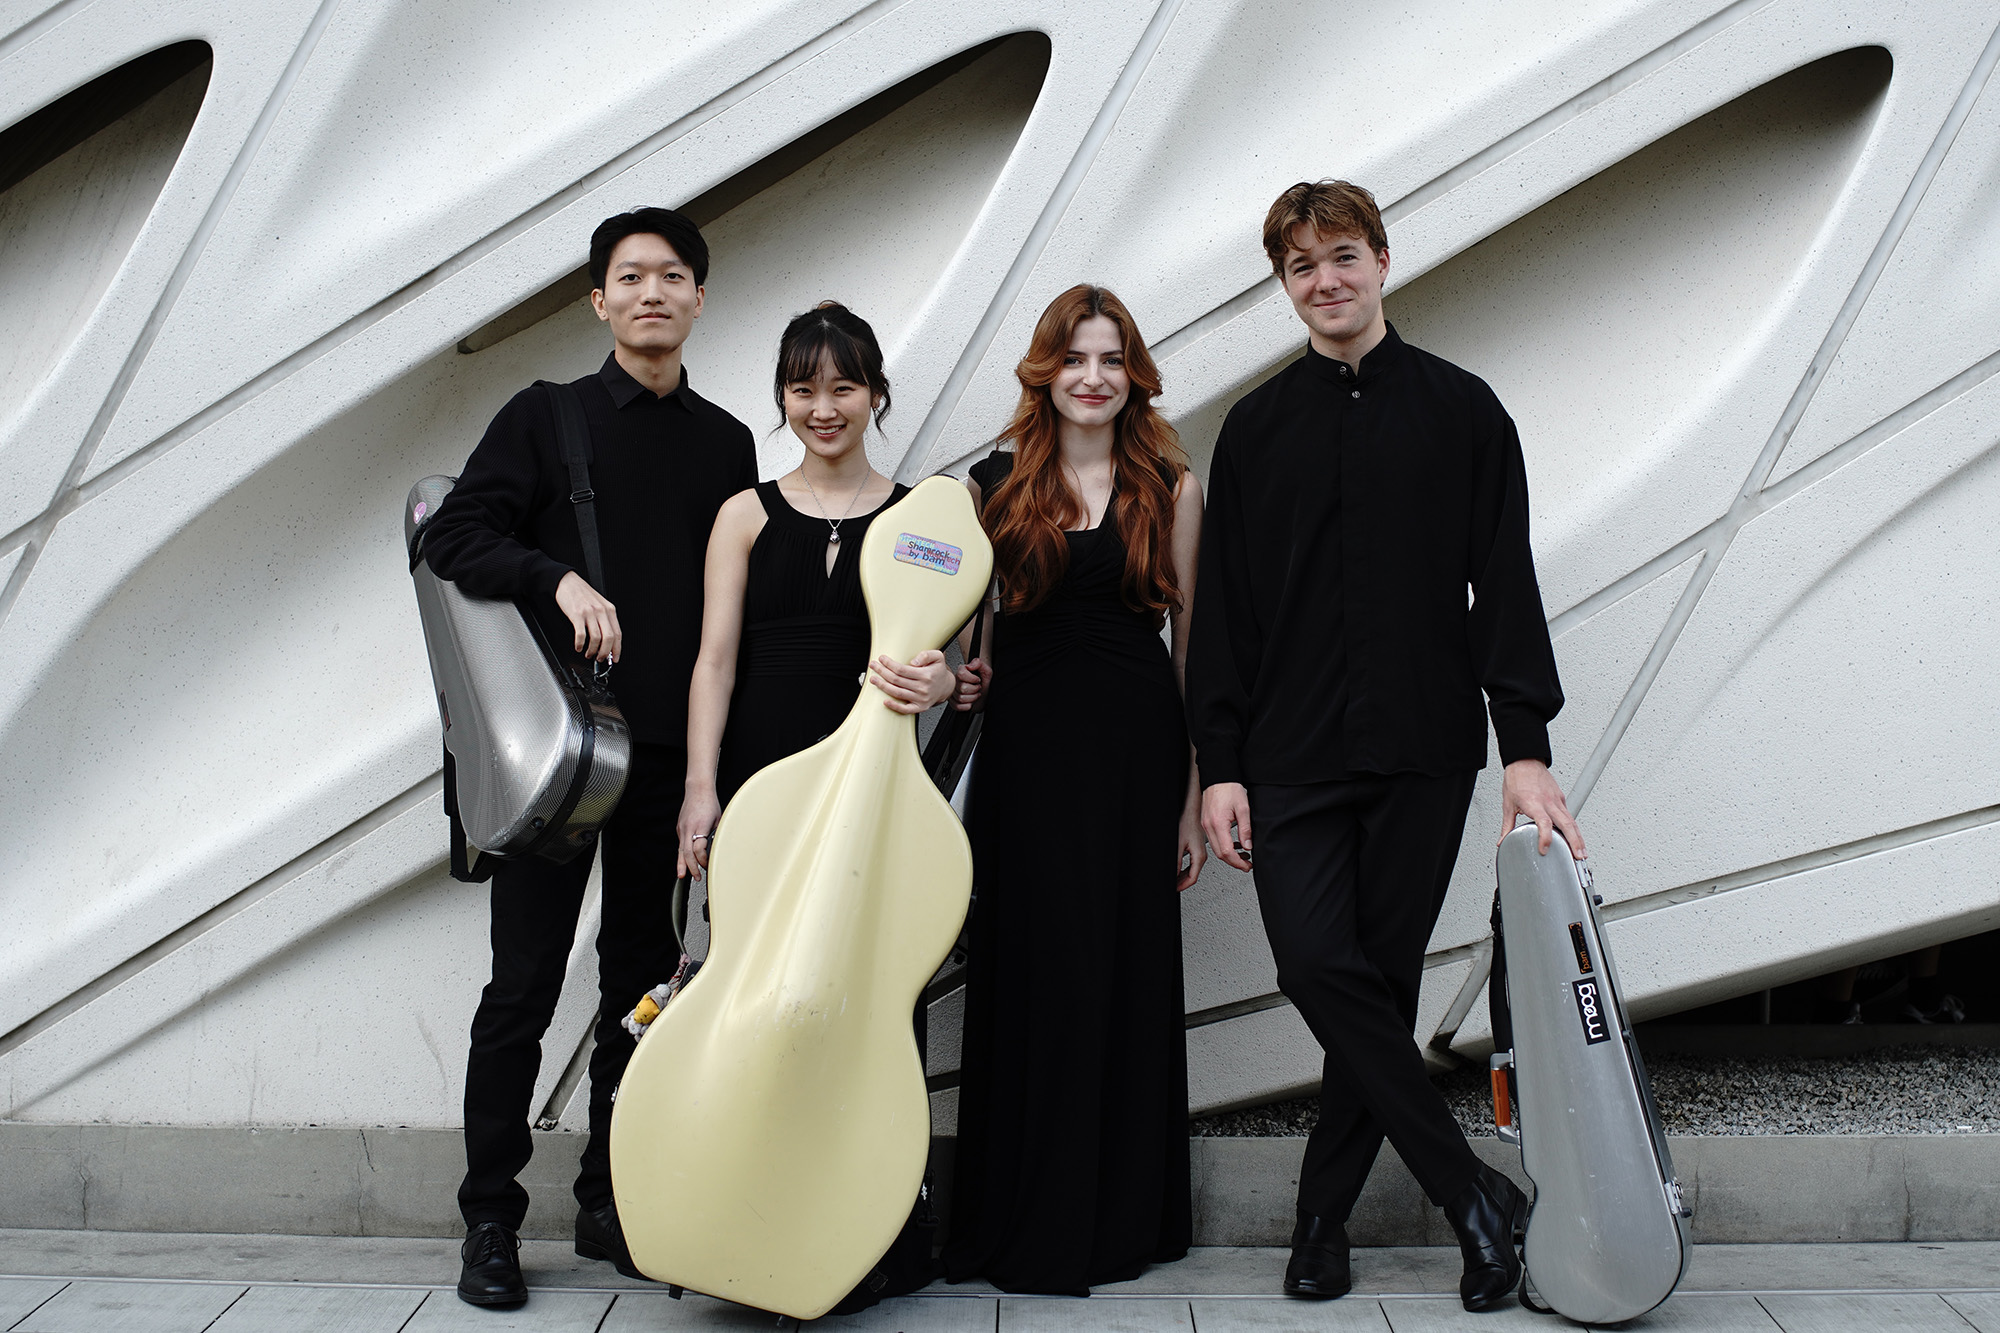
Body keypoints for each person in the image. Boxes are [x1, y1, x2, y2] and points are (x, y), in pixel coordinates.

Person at [1185, 180, 1578, 1312]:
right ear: (1284, 285)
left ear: (1383, 260)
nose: (1326, 280)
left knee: (1378, 986)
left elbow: (1501, 584)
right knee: (1317, 969)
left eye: (1342, 255)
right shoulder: (1253, 432)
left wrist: (1524, 746)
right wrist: (1221, 764)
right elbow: (1228, 621)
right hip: (1290, 753)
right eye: (1301, 266)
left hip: (1421, 746)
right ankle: (1472, 1198)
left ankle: (1317, 1227)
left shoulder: (1463, 411)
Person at [423, 208, 755, 1309]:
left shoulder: (726, 445)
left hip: (667, 763)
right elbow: (450, 535)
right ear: (598, 303)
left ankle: (611, 1193)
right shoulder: (545, 417)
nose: (651, 292)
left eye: (672, 276)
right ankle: (488, 1219)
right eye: (629, 277)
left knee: (637, 986)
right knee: (519, 986)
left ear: (699, 298)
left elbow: (733, 612)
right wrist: (552, 577)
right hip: (564, 761)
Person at [674, 301, 956, 1315]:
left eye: (843, 386)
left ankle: (878, 1226)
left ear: (876, 393)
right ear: (782, 399)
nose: (822, 406)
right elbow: (712, 662)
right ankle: (743, 1210)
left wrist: (937, 683)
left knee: (880, 998)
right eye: (803, 387)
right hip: (759, 792)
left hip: (877, 798)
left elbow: (951, 662)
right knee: (750, 996)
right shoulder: (743, 514)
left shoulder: (926, 516)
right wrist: (699, 793)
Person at [943, 284, 1204, 1295]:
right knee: (1030, 968)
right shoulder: (992, 485)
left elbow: (1193, 653)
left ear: (1130, 373)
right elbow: (973, 629)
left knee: (1119, 970)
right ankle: (1021, 1211)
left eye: (1109, 360)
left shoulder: (1171, 487)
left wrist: (1189, 792)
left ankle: (1116, 1217)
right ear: (1043, 371)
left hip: (1135, 757)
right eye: (1073, 359)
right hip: (1026, 751)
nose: (1090, 378)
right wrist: (965, 668)